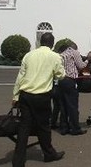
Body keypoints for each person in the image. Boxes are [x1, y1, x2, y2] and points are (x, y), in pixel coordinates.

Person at [12, 33, 66, 166]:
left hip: (25, 94)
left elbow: (20, 77)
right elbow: (61, 75)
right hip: (42, 96)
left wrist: (15, 95)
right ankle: (49, 153)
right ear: (52, 44)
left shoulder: (29, 55)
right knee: (43, 127)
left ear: (40, 42)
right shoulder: (55, 56)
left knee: (24, 127)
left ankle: (18, 160)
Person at [57, 41, 91, 135]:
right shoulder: (74, 52)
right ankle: (75, 128)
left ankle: (64, 128)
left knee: (63, 106)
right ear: (75, 47)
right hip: (70, 80)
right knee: (72, 105)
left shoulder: (62, 54)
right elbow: (81, 66)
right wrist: (88, 59)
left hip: (61, 80)